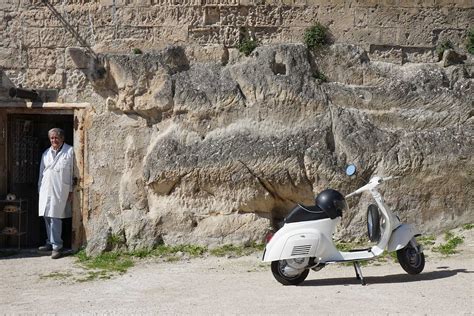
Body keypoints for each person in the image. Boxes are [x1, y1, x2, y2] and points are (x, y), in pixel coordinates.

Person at [37, 128, 74, 259]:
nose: (54, 140)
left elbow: (73, 172)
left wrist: (71, 190)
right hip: (46, 188)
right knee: (47, 216)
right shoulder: (46, 153)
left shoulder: (70, 151)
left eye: (56, 138)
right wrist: (39, 188)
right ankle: (49, 242)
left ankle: (57, 247)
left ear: (62, 138)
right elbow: (42, 172)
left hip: (60, 189)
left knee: (55, 217)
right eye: (52, 138)